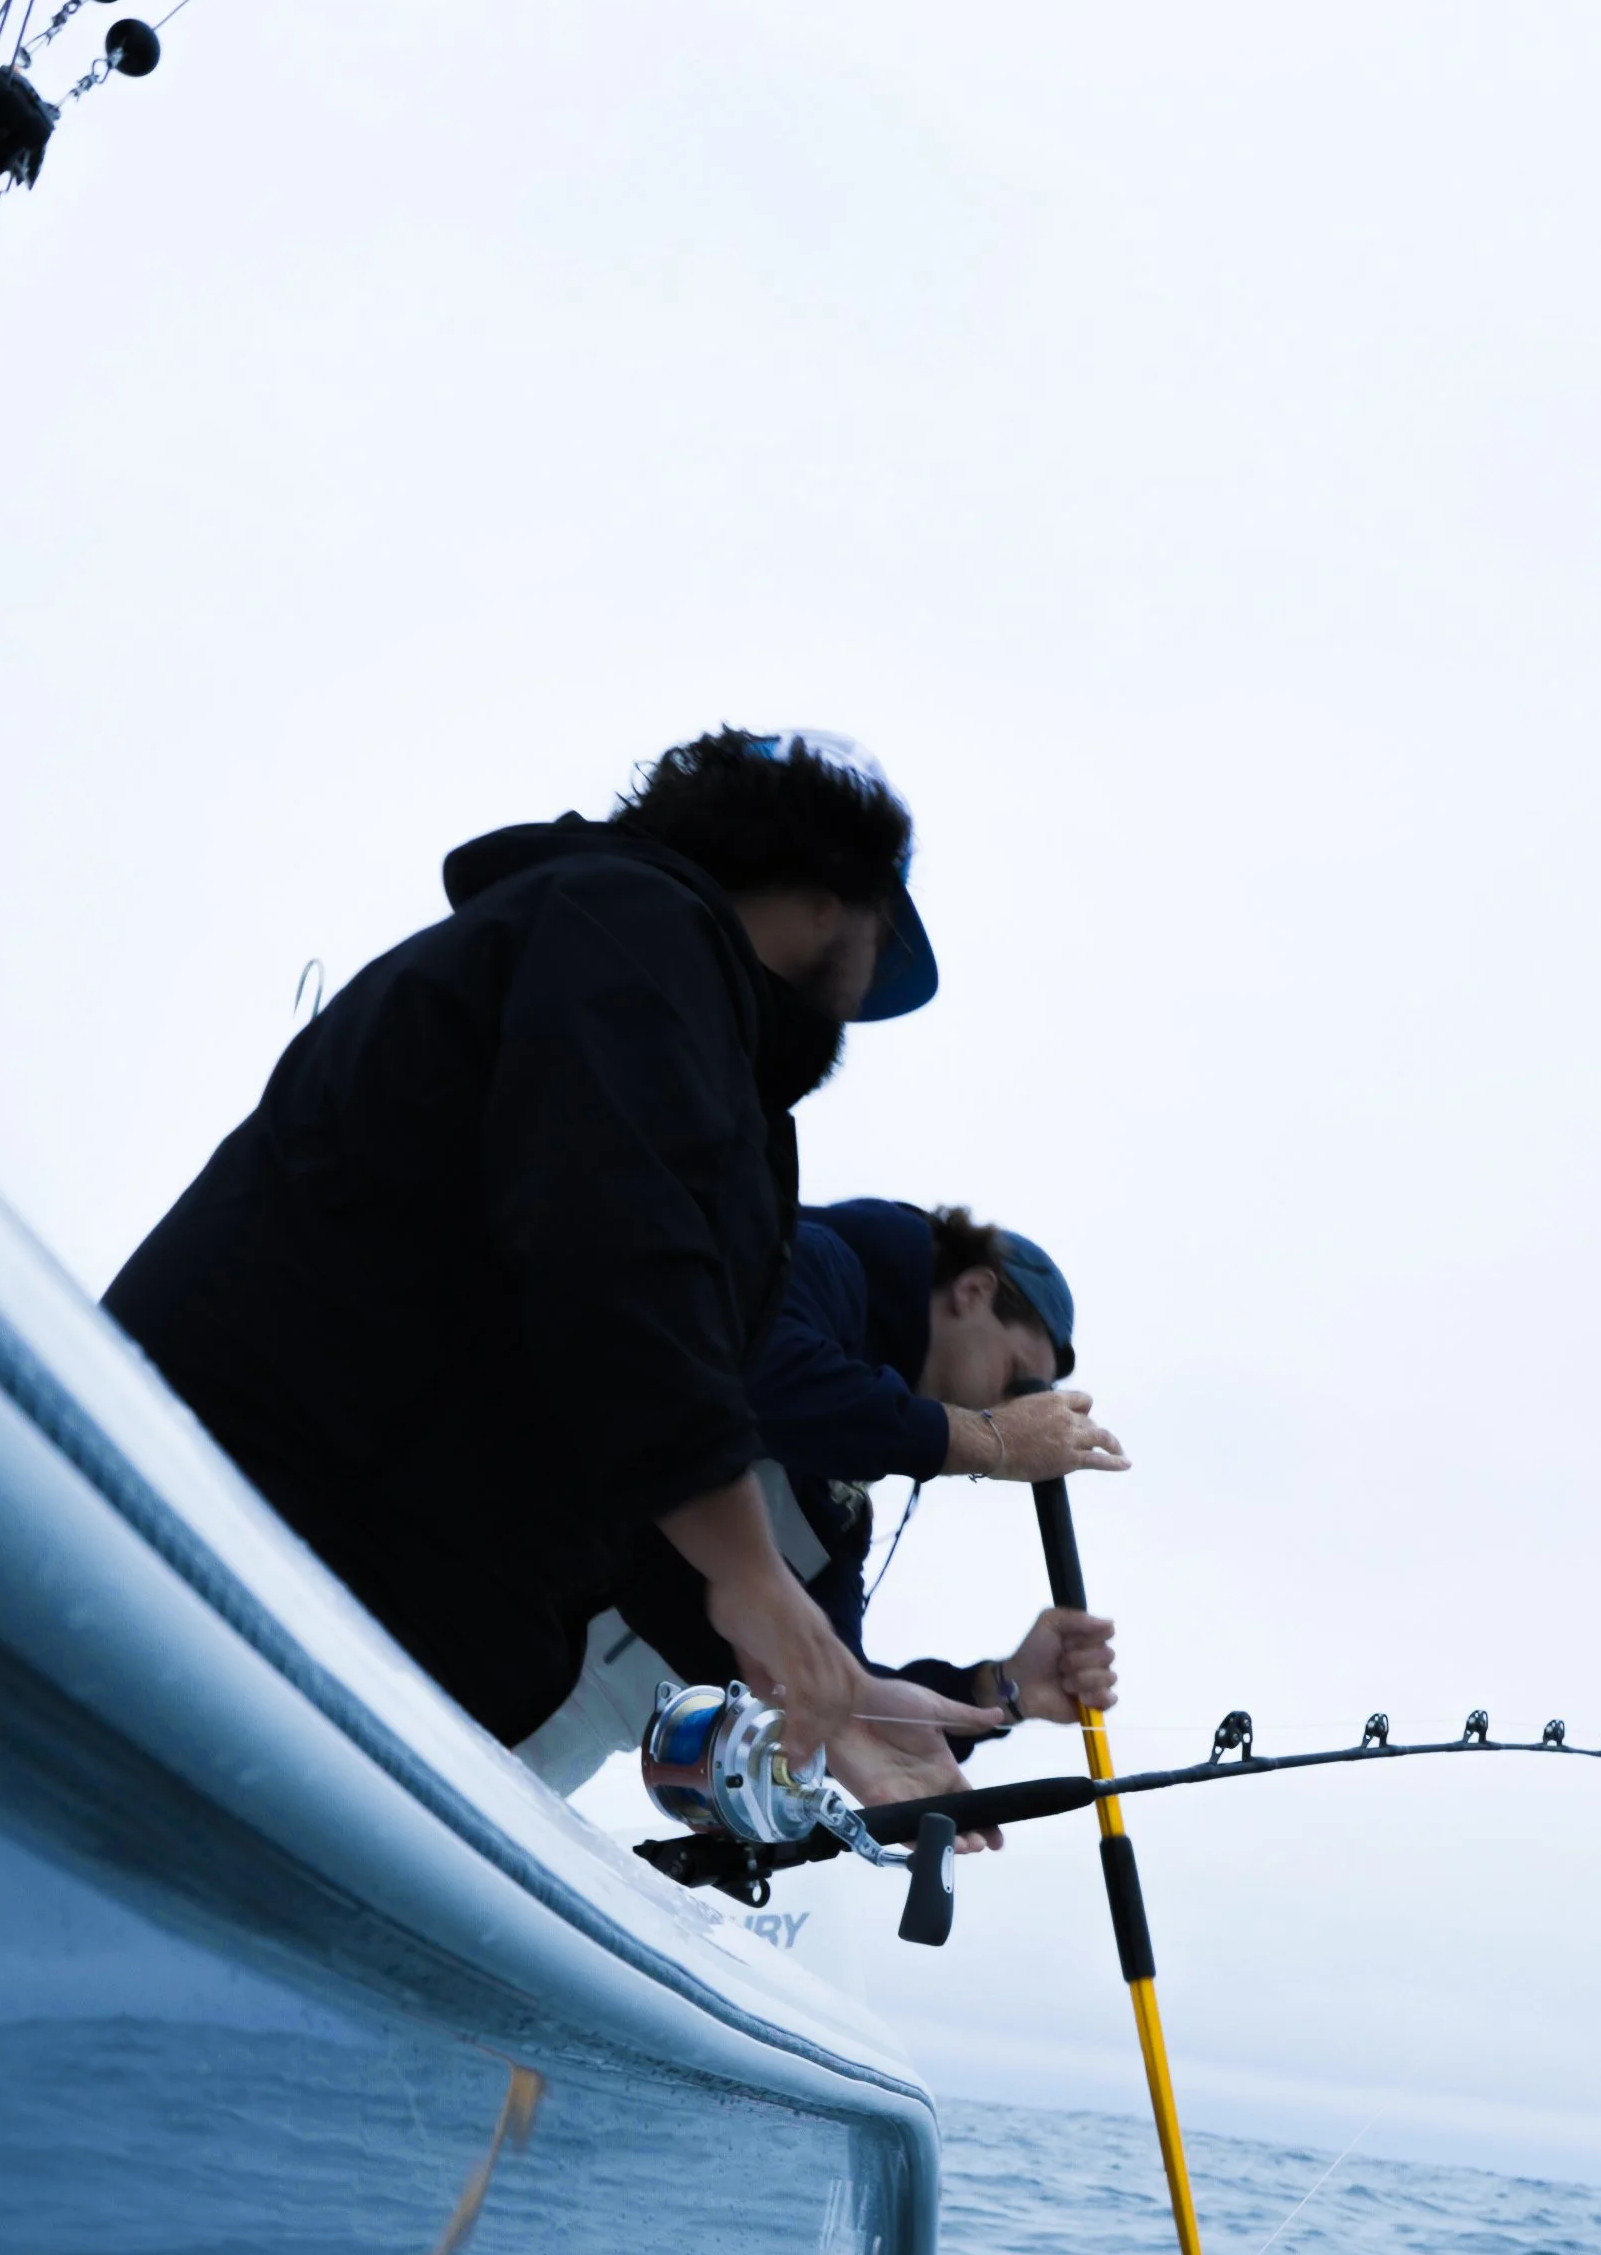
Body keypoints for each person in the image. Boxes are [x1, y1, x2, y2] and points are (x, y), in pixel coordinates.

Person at [103, 728, 986, 1803]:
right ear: (826, 895)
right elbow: (614, 1252)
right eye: (877, 938)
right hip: (235, 1566)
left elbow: (615, 1430)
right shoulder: (632, 928)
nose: (862, 994)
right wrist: (751, 1569)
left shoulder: (692, 1038)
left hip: (339, 1633)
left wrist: (832, 1688)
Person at [524, 1197, 1129, 1791]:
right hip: (489, 1603)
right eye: (1018, 1376)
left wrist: (1001, 1689)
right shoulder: (818, 1260)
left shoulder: (842, 1500)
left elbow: (831, 1676)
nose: (1013, 1407)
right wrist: (985, 1442)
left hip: (554, 1747)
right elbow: (751, 1373)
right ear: (972, 1292)